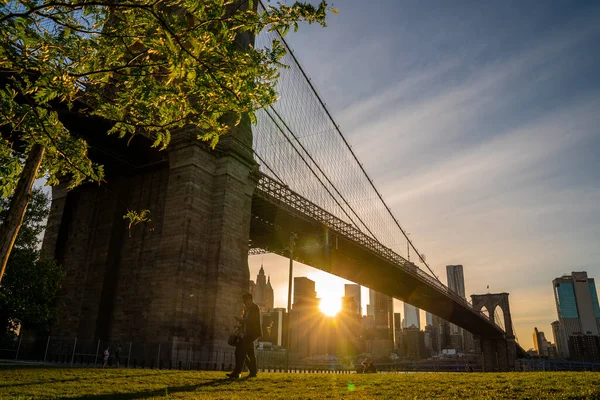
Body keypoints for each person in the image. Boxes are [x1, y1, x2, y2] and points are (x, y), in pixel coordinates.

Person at [227, 293, 262, 379]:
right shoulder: (247, 309)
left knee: (239, 351)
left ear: (250, 299)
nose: (244, 302)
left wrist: (241, 320)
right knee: (250, 353)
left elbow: (253, 321)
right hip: (247, 333)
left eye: (245, 300)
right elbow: (246, 322)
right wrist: (239, 326)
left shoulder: (254, 308)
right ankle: (253, 371)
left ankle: (237, 372)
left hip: (252, 333)